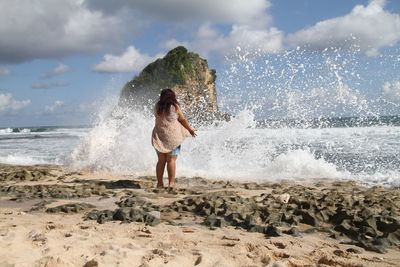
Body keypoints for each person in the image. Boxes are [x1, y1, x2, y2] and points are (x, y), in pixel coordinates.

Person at [151, 89, 196, 188]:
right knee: (171, 160)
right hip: (173, 137)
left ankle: (159, 183)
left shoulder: (157, 107)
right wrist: (190, 129)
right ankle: (171, 183)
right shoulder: (174, 107)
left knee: (161, 161)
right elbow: (182, 119)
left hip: (159, 136)